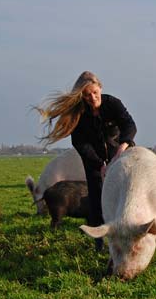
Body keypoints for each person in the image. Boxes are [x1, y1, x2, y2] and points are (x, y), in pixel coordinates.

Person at [36, 71, 137, 250]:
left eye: (95, 93)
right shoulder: (79, 114)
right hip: (94, 162)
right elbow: (80, 143)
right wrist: (99, 164)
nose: (92, 97)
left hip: (121, 156)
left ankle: (126, 234)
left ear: (100, 88)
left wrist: (124, 145)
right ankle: (99, 242)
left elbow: (129, 125)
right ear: (82, 96)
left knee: (125, 195)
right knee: (97, 199)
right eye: (87, 95)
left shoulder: (113, 103)